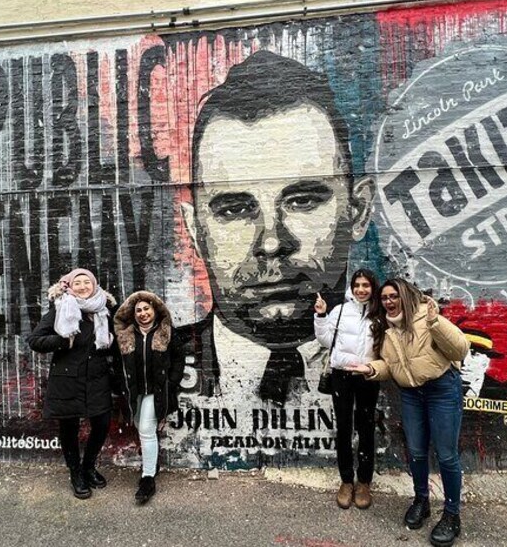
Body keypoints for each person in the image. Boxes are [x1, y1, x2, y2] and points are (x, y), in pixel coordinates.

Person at [180, 50, 376, 406]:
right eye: (235, 209)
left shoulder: (400, 356)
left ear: (358, 210)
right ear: (195, 230)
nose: (271, 242)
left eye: (302, 201)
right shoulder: (163, 362)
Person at [347, 279, 469, 547]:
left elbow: (460, 349)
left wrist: (437, 324)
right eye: (385, 298)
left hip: (442, 389)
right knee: (415, 451)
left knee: (446, 455)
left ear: (404, 296)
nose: (389, 302)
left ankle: (451, 514)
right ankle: (421, 500)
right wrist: (372, 370)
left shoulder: (427, 316)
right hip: (411, 395)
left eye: (394, 296)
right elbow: (391, 366)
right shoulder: (385, 328)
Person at [26, 268, 116, 500]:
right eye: (78, 283)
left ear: (94, 285)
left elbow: (115, 342)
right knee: (69, 428)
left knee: (102, 423)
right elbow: (35, 340)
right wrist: (63, 340)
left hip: (97, 378)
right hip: (67, 380)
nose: (83, 286)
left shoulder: (104, 310)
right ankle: (76, 473)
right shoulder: (60, 308)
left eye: (88, 282)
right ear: (69, 286)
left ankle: (88, 467)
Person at [314, 268, 380, 510]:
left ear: (373, 287)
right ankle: (346, 481)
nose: (361, 289)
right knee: (343, 427)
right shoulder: (340, 312)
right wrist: (321, 317)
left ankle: (363, 482)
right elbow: (325, 341)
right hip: (342, 376)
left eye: (366, 285)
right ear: (352, 288)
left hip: (368, 376)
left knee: (366, 428)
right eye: (357, 285)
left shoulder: (379, 313)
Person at [113, 291, 186, 504]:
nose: (143, 313)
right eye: (138, 310)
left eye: (147, 309)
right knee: (139, 425)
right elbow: (118, 363)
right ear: (132, 314)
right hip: (134, 392)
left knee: (145, 428)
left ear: (155, 310)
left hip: (156, 392)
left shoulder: (166, 333)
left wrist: (170, 383)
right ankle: (152, 466)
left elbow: (178, 360)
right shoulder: (126, 334)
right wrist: (121, 384)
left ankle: (147, 478)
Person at [460, 328, 504, 399]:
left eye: (474, 354)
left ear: (486, 363)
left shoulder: (502, 393)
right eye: (459, 352)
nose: (464, 362)